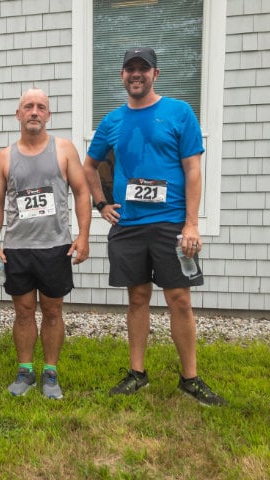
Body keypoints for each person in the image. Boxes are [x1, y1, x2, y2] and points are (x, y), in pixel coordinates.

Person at [83, 47, 227, 406]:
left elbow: (193, 170)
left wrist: (192, 224)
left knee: (179, 299)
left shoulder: (179, 113)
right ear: (122, 76)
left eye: (143, 69)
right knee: (137, 298)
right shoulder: (112, 121)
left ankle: (190, 378)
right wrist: (101, 204)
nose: (136, 75)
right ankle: (137, 373)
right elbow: (89, 167)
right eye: (130, 68)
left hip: (171, 224)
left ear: (155, 74)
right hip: (128, 225)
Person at [0, 88, 91, 399]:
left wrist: (83, 235)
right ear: (18, 114)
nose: (34, 111)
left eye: (41, 107)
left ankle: (50, 372)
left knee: (53, 310)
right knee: (23, 311)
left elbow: (82, 192)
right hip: (17, 248)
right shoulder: (5, 156)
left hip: (55, 246)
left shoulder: (64, 149)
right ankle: (25, 370)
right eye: (28, 107)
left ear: (48, 115)